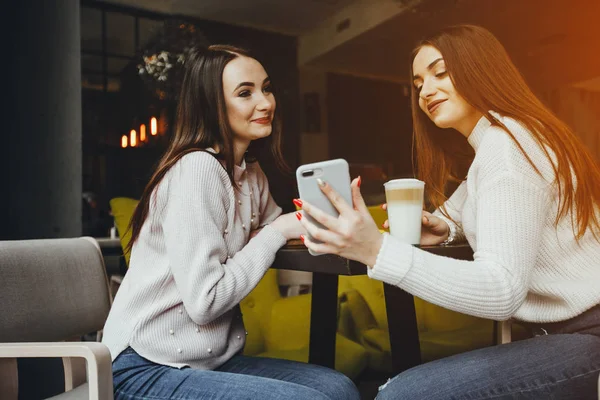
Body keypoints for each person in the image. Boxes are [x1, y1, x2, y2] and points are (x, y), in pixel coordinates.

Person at [295, 25, 600, 399]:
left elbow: (502, 290)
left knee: (401, 394)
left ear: (480, 68)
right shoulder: (497, 144)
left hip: (588, 334)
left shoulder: (506, 150)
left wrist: (375, 249)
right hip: (564, 333)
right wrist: (444, 228)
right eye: (418, 82)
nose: (425, 90)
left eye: (440, 73)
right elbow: (460, 214)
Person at [102, 45, 360, 400]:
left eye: (266, 88)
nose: (266, 102)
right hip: (142, 365)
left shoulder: (251, 174)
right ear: (213, 106)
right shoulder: (198, 169)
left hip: (208, 361)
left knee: (339, 387)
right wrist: (275, 231)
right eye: (245, 93)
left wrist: (323, 218)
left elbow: (276, 230)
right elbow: (205, 300)